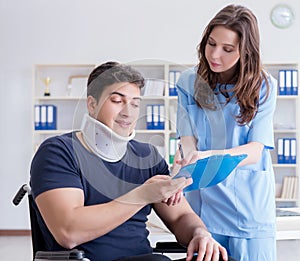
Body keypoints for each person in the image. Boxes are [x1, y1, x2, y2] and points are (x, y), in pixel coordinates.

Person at [30, 61, 229, 261]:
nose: (128, 112)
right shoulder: (58, 152)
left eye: (135, 103)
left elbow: (180, 216)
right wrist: (141, 195)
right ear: (92, 104)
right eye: (117, 101)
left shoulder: (147, 156)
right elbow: (69, 232)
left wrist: (200, 233)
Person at [174, 4, 277, 261]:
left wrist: (209, 155)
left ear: (245, 51)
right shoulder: (188, 82)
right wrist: (187, 159)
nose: (215, 54)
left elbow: (256, 149)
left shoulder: (263, 86)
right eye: (211, 43)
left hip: (248, 207)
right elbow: (187, 139)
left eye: (228, 49)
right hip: (202, 208)